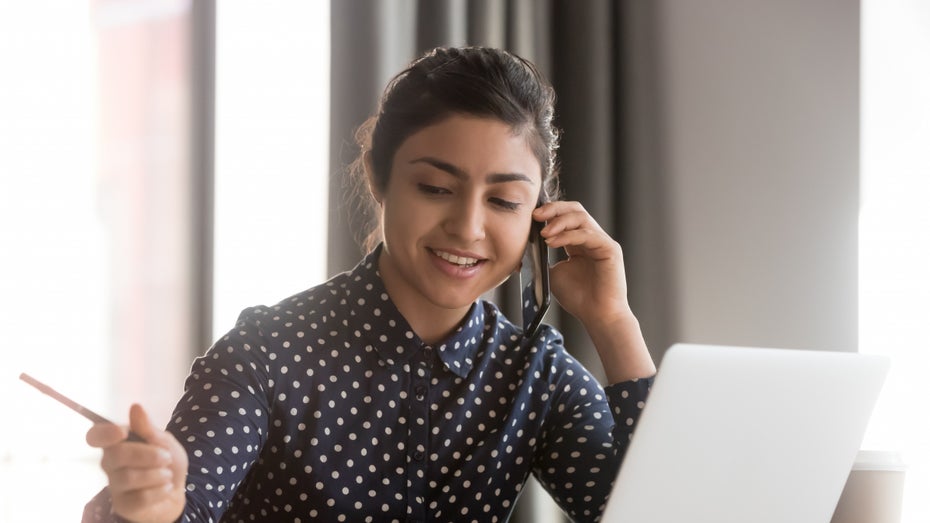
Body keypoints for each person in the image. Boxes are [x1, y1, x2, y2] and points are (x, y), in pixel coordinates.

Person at [83, 46, 657, 523]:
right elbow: (182, 504)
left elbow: (653, 510)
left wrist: (613, 321)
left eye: (505, 200)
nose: (468, 227)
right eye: (435, 187)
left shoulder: (534, 372)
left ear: (539, 215)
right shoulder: (266, 353)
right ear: (380, 180)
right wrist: (149, 505)